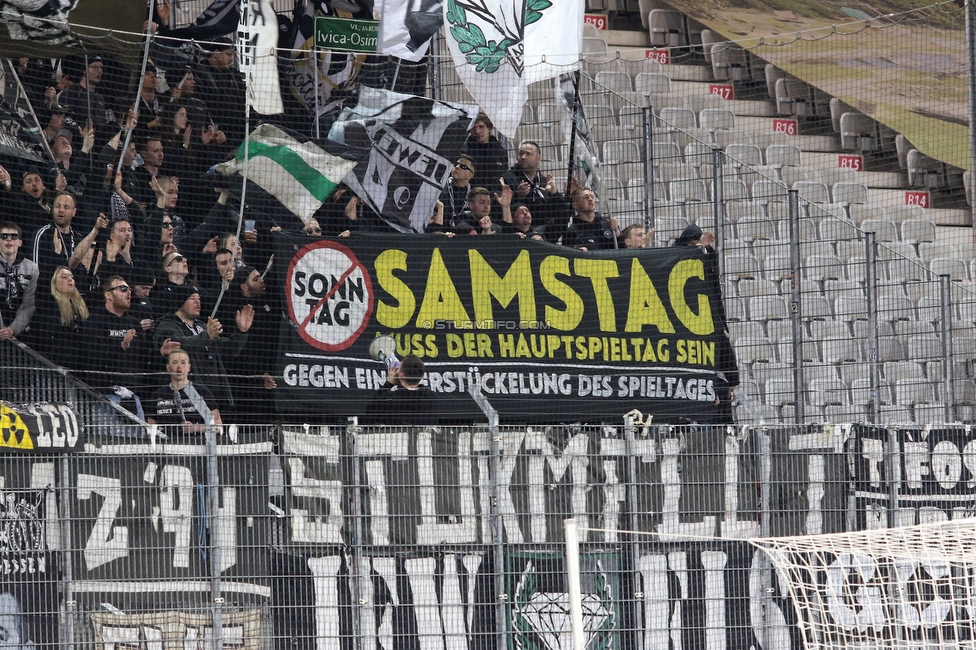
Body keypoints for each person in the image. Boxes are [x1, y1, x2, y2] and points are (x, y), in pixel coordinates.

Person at [154, 284, 254, 419]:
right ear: (180, 301)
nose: (198, 302)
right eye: (192, 298)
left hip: (217, 396)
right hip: (190, 399)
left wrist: (242, 332)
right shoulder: (167, 325)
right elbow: (180, 344)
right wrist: (207, 336)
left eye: (199, 298)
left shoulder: (201, 326)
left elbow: (228, 350)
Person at [500, 140, 568, 240]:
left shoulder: (545, 182)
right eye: (521, 153)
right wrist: (518, 196)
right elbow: (499, 209)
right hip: (518, 236)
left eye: (528, 154)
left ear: (538, 158)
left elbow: (561, 216)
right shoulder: (507, 178)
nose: (523, 157)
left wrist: (555, 194)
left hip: (544, 236)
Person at [27, 265, 89, 369]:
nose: (70, 279)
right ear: (54, 284)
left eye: (71, 277)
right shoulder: (49, 306)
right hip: (55, 366)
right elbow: (46, 341)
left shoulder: (81, 307)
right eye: (64, 277)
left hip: (78, 366)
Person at [147, 349, 222, 433]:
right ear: (168, 367)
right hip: (167, 444)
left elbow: (218, 427)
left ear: (188, 367)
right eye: (175, 362)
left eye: (183, 363)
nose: (179, 366)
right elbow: (150, 430)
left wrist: (195, 428)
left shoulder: (202, 392)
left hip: (197, 444)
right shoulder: (158, 395)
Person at [369, 353, 436, 424]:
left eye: (398, 369)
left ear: (401, 375)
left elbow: (370, 413)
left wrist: (388, 383)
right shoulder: (432, 397)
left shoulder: (390, 399)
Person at [0, 222, 37, 341]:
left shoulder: (32, 268)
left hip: (21, 332)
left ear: (20, 242)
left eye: (14, 236)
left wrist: (12, 329)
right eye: (4, 236)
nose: (9, 239)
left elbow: (28, 305)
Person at [461, 112, 508, 194]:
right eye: (474, 128)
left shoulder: (500, 152)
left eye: (481, 127)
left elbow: (503, 177)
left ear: (489, 128)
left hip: (495, 197)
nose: (477, 131)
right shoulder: (464, 151)